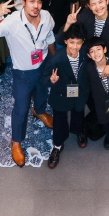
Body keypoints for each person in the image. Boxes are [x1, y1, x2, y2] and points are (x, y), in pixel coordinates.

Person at [0, 0, 56, 167]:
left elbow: (49, 38)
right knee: (21, 108)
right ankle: (16, 141)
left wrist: (55, 61)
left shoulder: (46, 17)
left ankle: (39, 111)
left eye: (39, 2)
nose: (36, 6)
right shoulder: (13, 22)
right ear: (23, 1)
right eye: (31, 1)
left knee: (42, 93)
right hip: (23, 73)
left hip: (43, 65)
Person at [42, 24, 90, 168]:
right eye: (72, 42)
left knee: (79, 112)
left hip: (79, 91)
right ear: (65, 41)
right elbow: (44, 78)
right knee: (59, 120)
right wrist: (51, 80)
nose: (75, 46)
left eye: (79, 43)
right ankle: (57, 145)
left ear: (83, 42)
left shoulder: (85, 54)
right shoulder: (56, 59)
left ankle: (78, 130)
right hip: (61, 94)